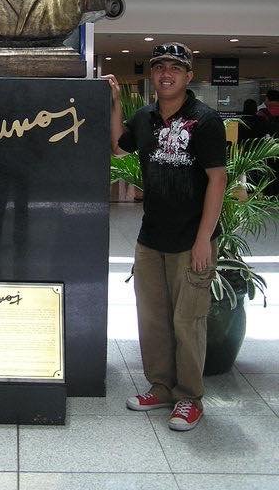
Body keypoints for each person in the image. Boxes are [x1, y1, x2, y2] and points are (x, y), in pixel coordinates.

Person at [104, 42, 227, 431]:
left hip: (192, 240)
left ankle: (189, 397)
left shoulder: (205, 120)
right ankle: (160, 387)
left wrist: (204, 237)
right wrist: (115, 103)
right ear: (152, 75)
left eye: (175, 67)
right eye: (159, 68)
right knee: (153, 318)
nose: (166, 74)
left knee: (188, 321)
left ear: (189, 76)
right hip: (150, 238)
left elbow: (217, 180)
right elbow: (119, 146)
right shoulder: (145, 117)